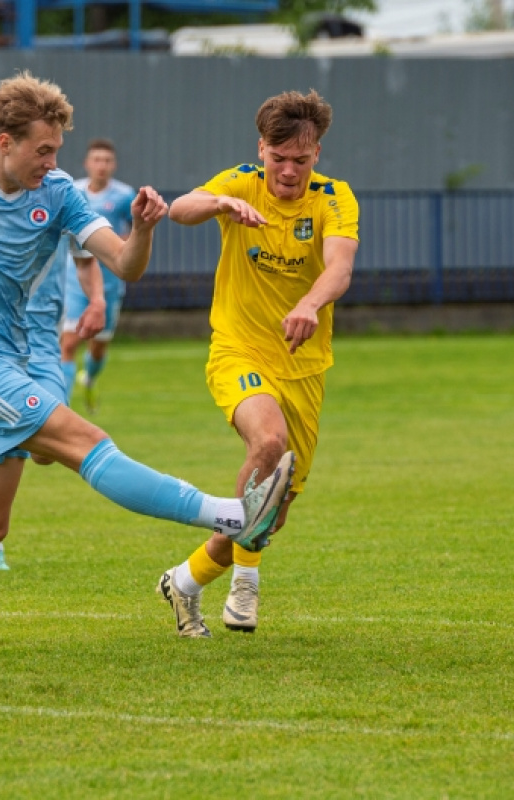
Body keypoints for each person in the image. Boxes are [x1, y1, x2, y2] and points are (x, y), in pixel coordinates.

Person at [0, 70, 294, 658]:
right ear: (4, 141)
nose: (52, 162)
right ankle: (233, 515)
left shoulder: (59, 195)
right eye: (42, 150)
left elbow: (124, 264)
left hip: (13, 361)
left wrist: (143, 229)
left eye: (57, 151)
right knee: (83, 441)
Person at [158, 89, 359, 638]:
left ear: (317, 153)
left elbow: (339, 267)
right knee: (267, 445)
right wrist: (221, 205)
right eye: (279, 158)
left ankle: (185, 581)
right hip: (238, 349)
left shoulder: (334, 198)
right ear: (261, 150)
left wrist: (309, 303)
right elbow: (180, 208)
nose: (289, 170)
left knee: (273, 509)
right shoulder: (240, 182)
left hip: (304, 365)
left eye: (302, 158)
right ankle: (246, 585)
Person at [0, 234, 106, 572]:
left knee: (45, 452)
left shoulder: (59, 197)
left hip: (44, 344)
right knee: (3, 431)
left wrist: (97, 301)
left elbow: (86, 257)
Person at [60, 139, 136, 413]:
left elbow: (133, 234)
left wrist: (124, 246)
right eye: (96, 160)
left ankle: (89, 378)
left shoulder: (124, 196)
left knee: (98, 347)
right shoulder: (72, 191)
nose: (101, 166)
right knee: (67, 343)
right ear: (87, 163)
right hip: (75, 277)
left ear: (113, 165)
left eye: (107, 161)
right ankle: (62, 407)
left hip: (109, 282)